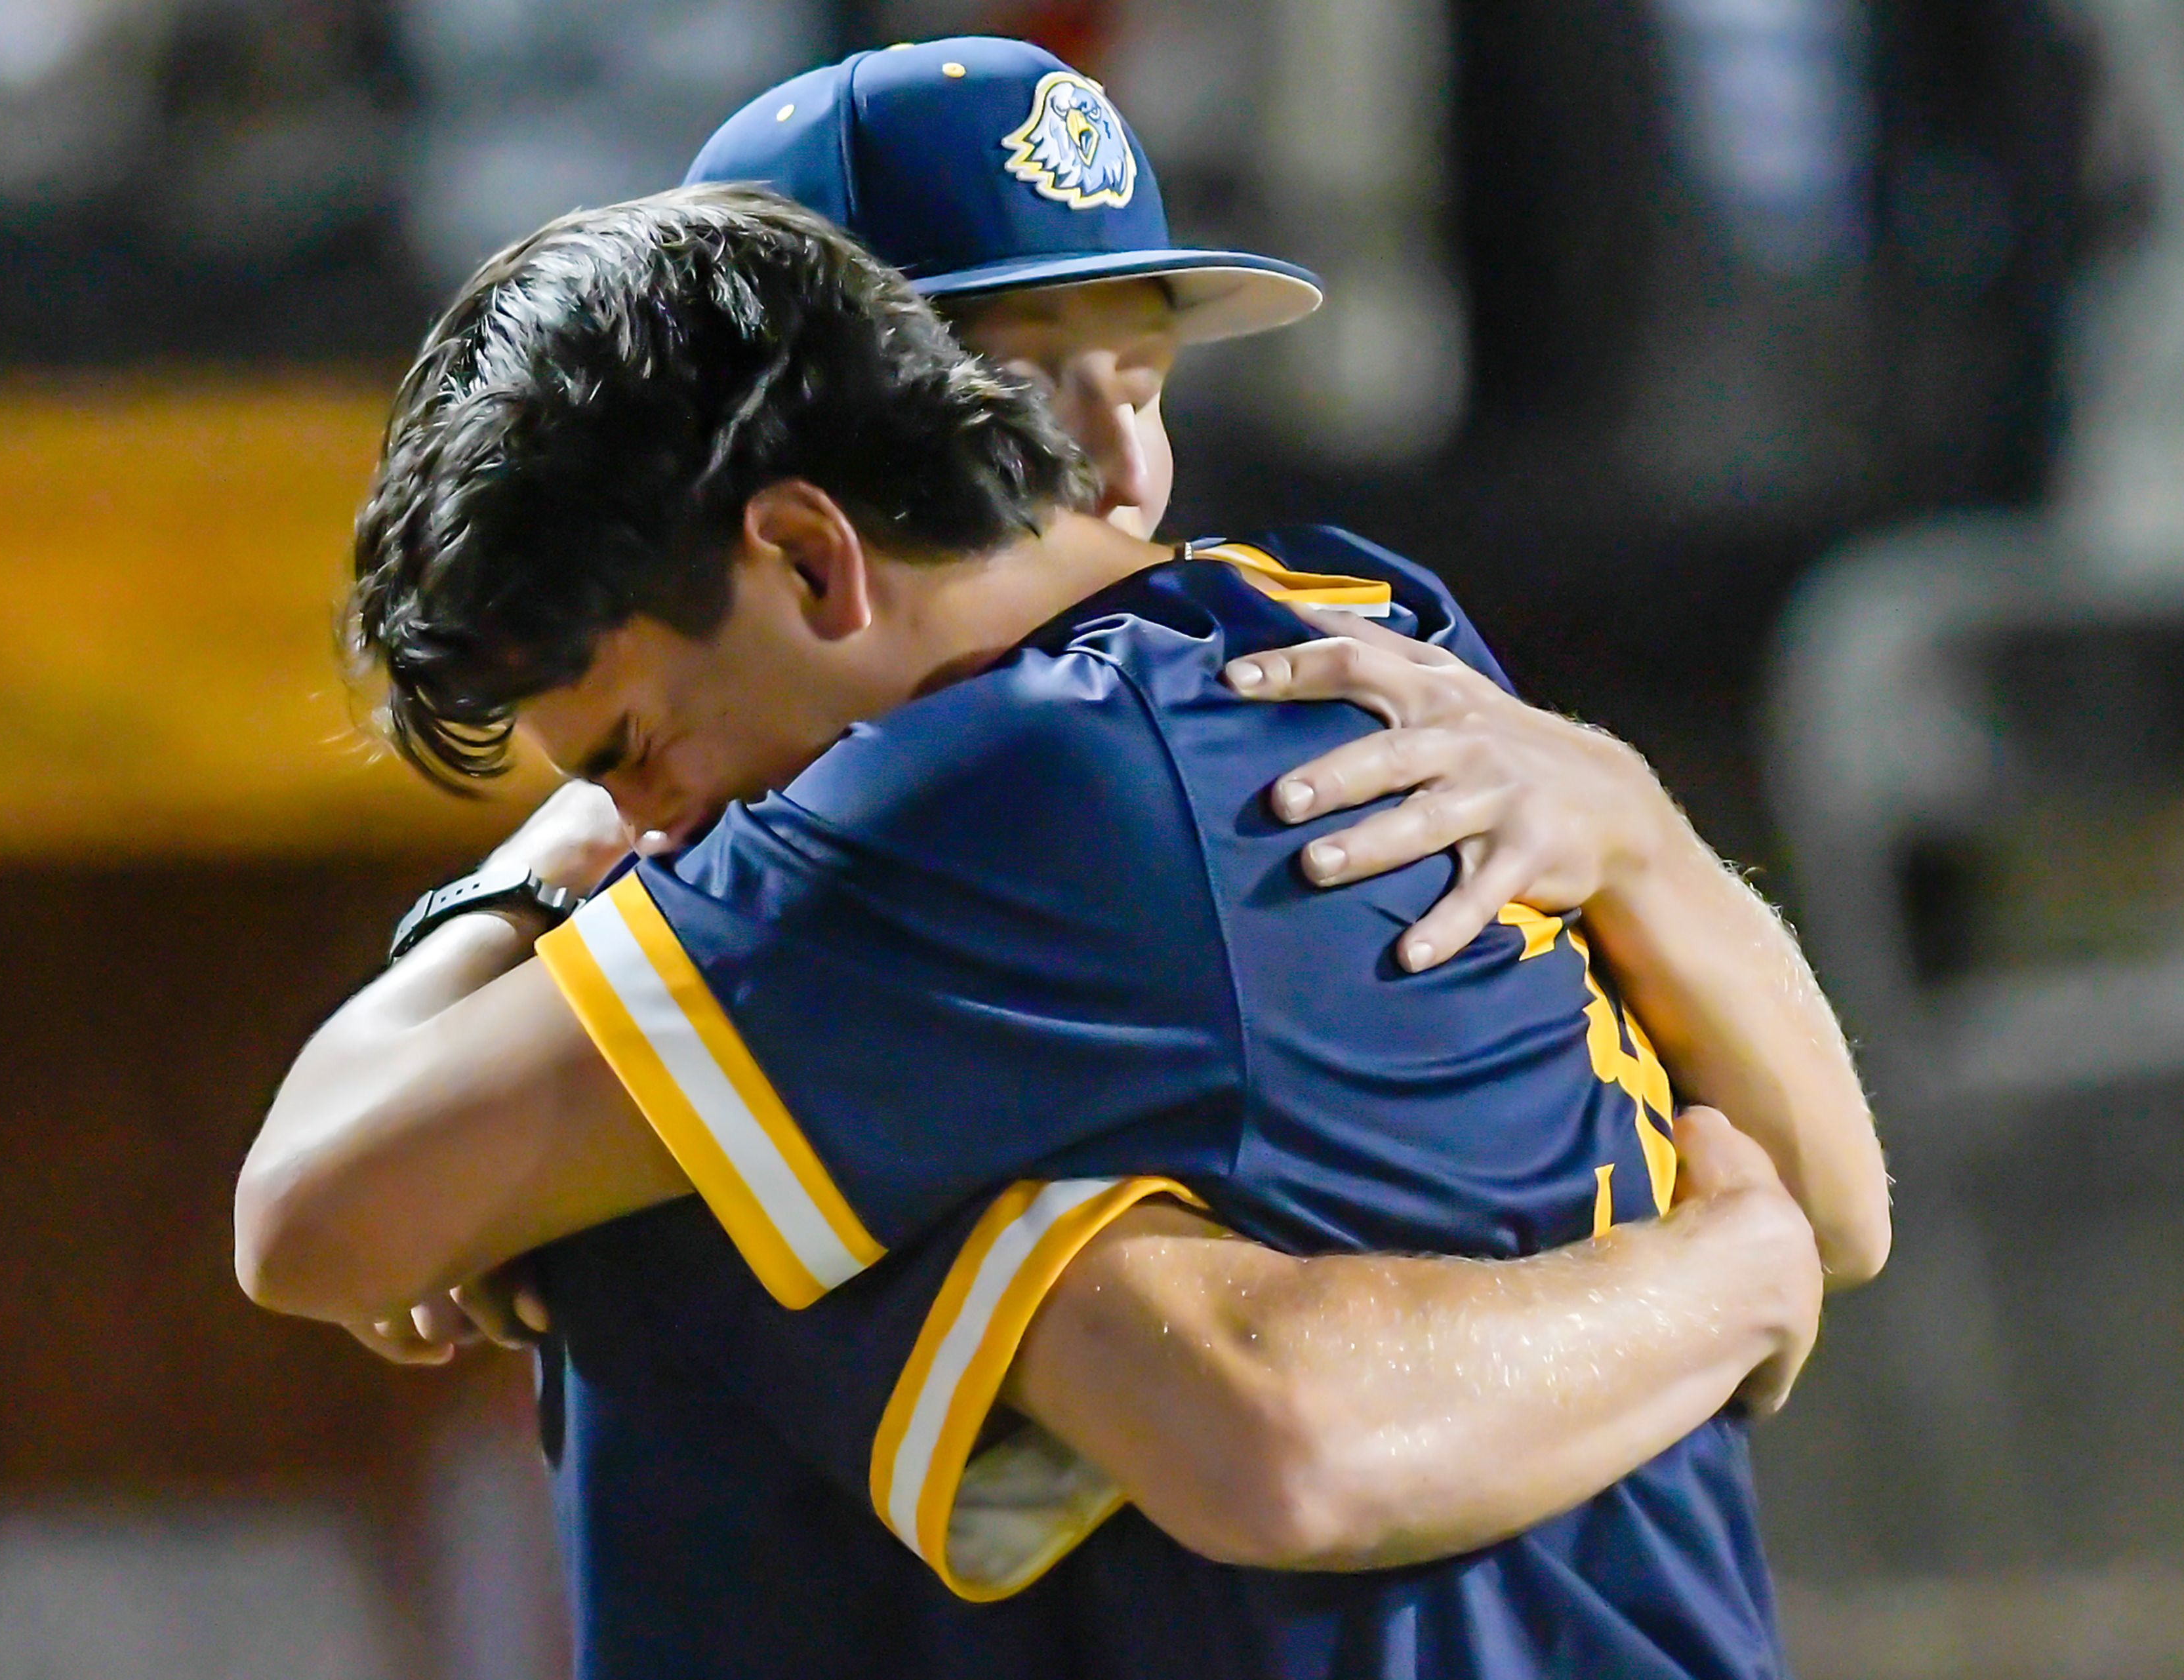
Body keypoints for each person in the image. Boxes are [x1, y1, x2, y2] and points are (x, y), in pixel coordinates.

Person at [237, 186, 1880, 1675]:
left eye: (1141, 371)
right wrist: (1732, 1249)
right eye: (1026, 374)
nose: (1114, 457)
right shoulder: (1366, 632)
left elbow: (317, 1213)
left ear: (813, 544)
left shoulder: (933, 827)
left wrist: (533, 886)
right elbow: (1836, 1208)